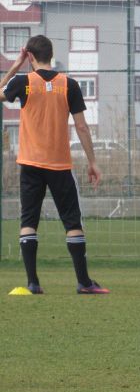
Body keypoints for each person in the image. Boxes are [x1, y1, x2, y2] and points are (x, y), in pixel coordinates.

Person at [0, 35, 109, 294]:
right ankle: (83, 282)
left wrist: (15, 67)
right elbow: (81, 127)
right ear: (52, 54)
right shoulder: (68, 84)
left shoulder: (22, 82)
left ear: (30, 56)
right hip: (59, 165)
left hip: (30, 163)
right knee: (72, 222)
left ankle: (33, 283)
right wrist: (92, 162)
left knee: (29, 220)